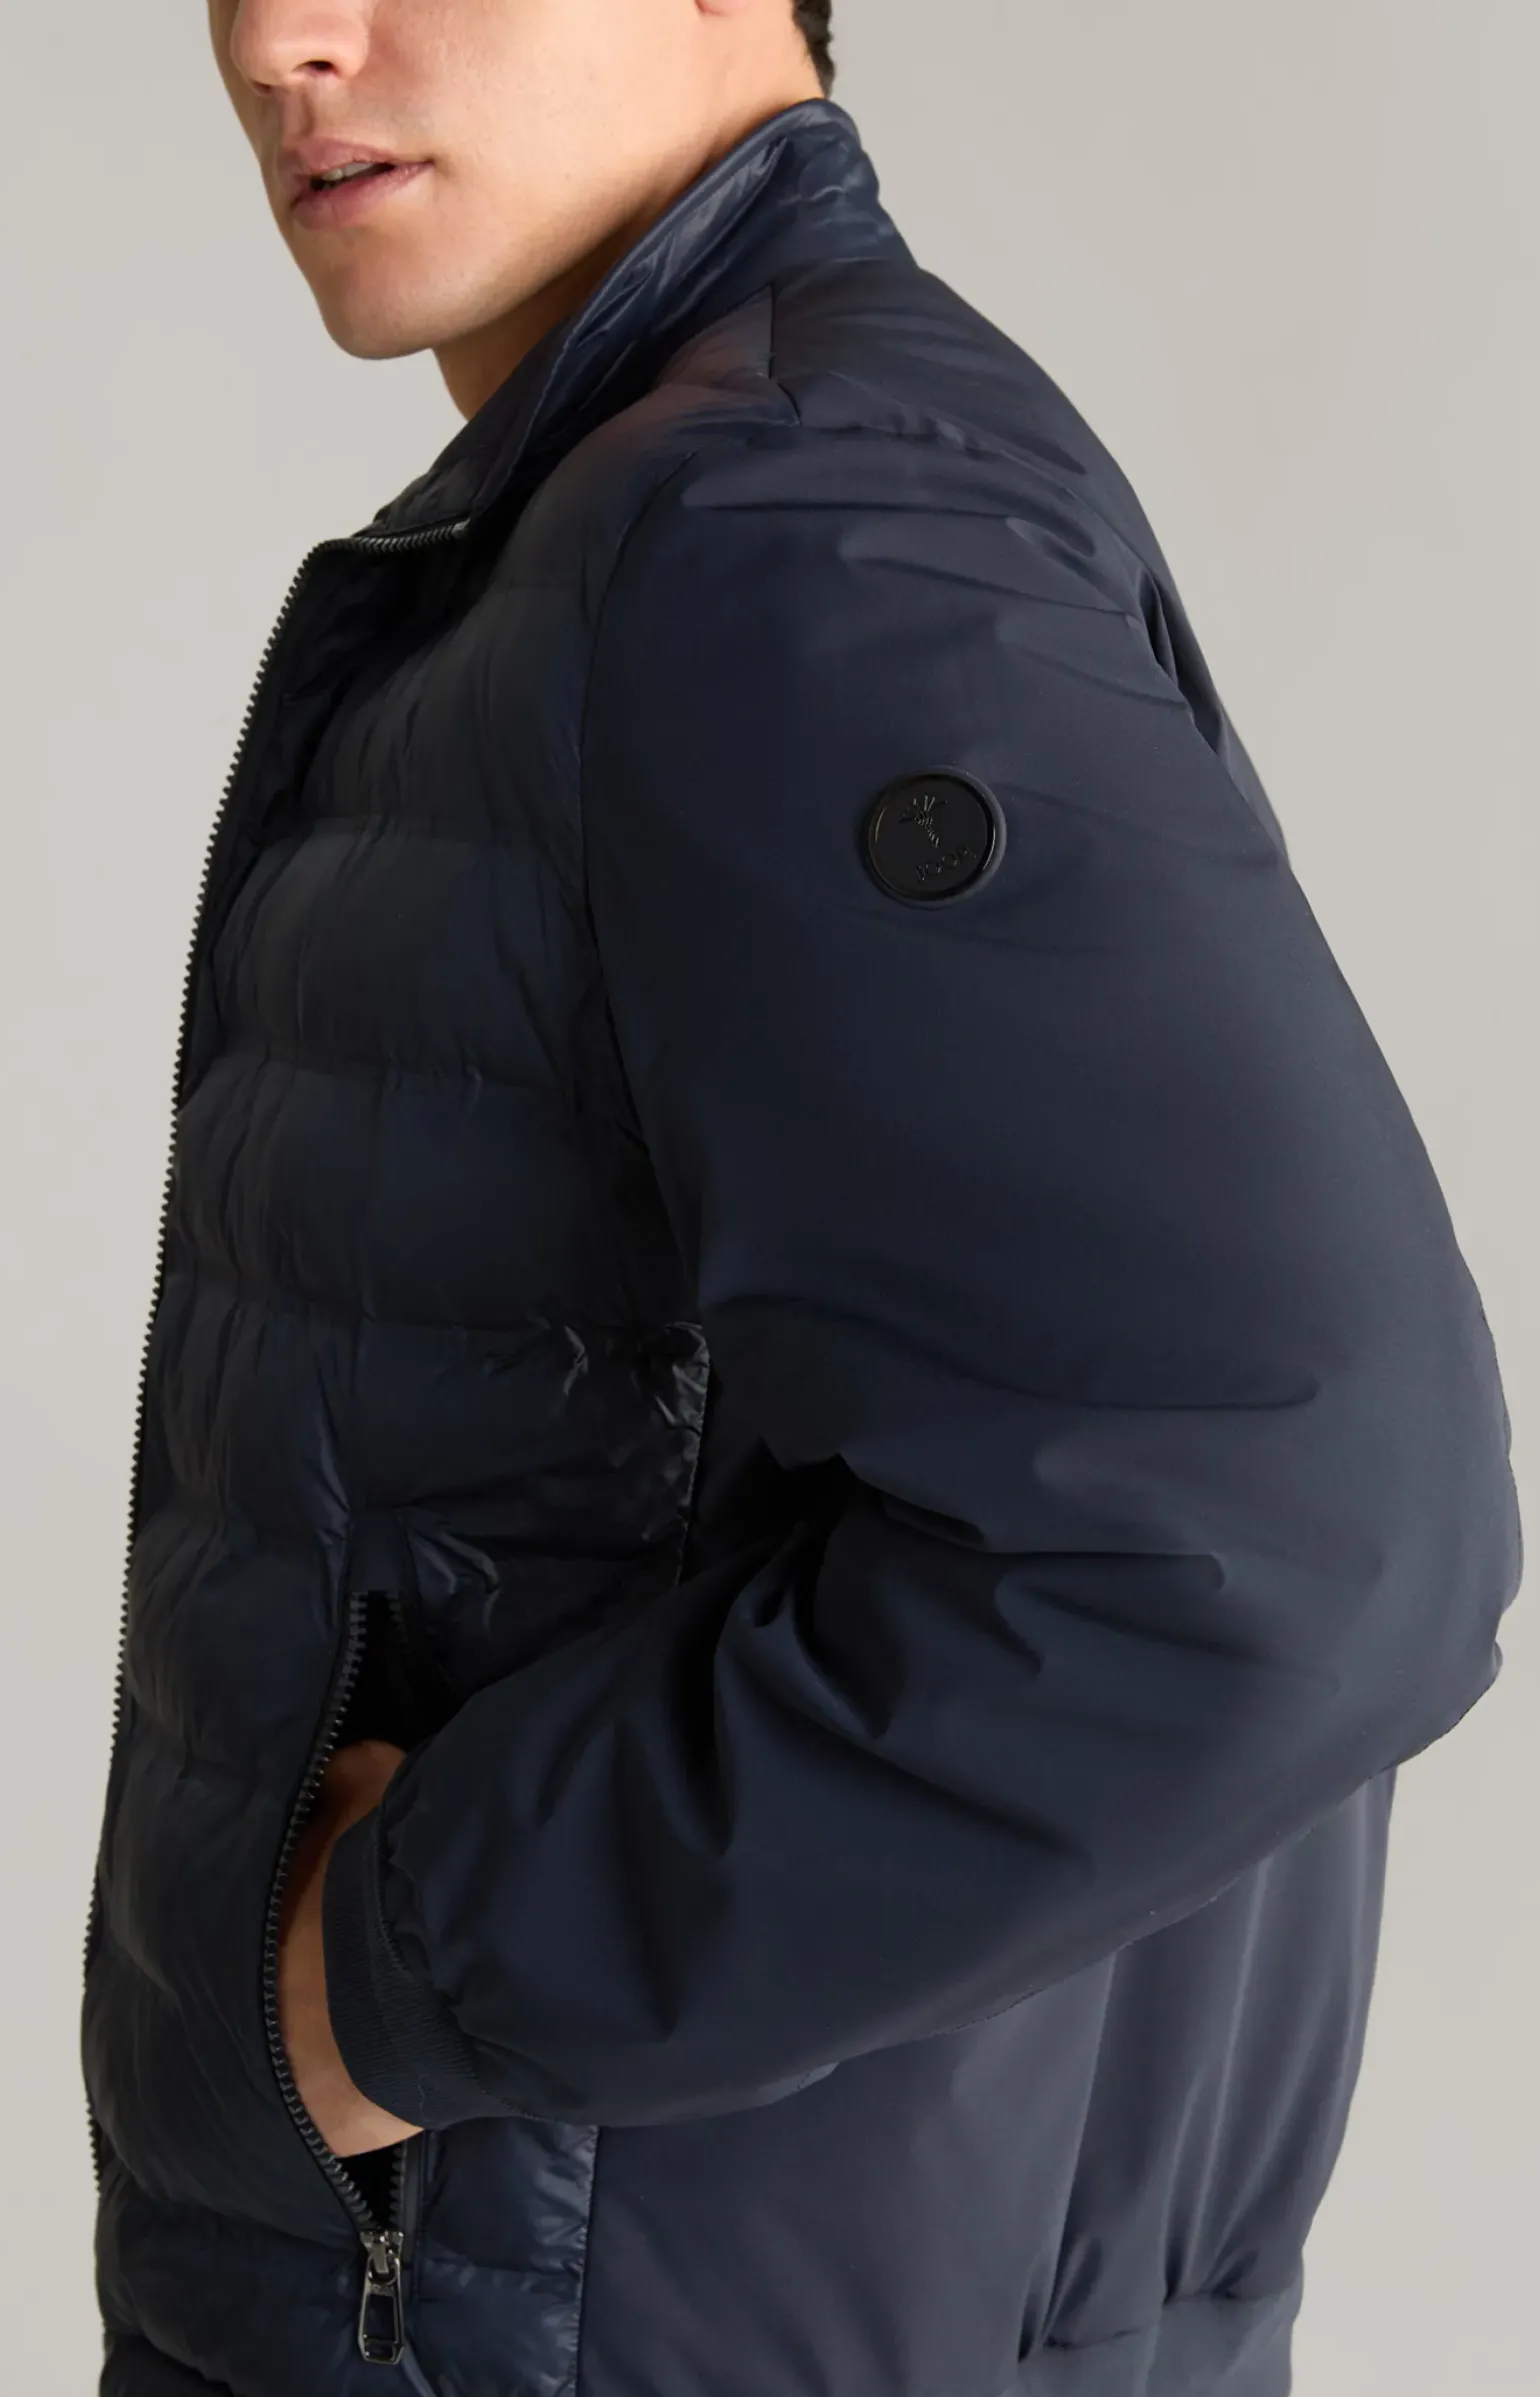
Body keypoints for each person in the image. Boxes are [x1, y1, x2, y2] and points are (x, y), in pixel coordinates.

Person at [81, 4, 1523, 2394]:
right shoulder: (654, 516)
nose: (281, 40)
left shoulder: (781, 533)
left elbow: (1275, 1541)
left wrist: (408, 1967)